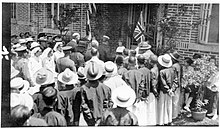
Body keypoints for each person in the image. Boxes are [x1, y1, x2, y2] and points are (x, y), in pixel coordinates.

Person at [72, 61, 112, 126]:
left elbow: (84, 105)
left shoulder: (83, 88)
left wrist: (90, 118)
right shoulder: (106, 88)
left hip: (90, 119)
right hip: (104, 117)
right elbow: (109, 104)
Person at [157, 54, 174, 125]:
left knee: (162, 106)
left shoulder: (161, 72)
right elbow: (176, 81)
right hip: (171, 91)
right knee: (169, 105)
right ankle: (169, 120)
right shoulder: (172, 70)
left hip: (164, 91)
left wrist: (167, 90)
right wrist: (172, 89)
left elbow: (163, 83)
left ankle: (162, 121)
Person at [169, 51, 182, 119]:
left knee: (174, 101)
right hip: (178, 84)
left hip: (175, 85)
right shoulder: (178, 65)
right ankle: (177, 113)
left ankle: (174, 115)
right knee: (176, 100)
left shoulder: (174, 66)